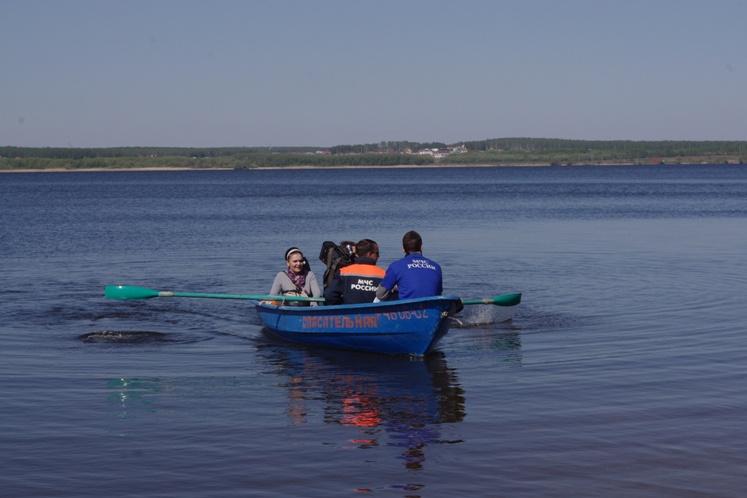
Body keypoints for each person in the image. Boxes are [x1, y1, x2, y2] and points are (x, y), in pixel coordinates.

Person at [376, 230, 443, 300]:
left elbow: (380, 294)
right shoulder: (436, 267)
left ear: (403, 249)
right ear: (421, 247)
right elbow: (438, 292)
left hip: (407, 309)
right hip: (432, 308)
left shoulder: (396, 266)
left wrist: (397, 289)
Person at [324, 239, 386, 305]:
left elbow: (329, 295)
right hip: (375, 313)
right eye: (377, 253)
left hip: (348, 312)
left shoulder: (343, 272)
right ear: (369, 254)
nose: (378, 256)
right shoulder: (384, 274)